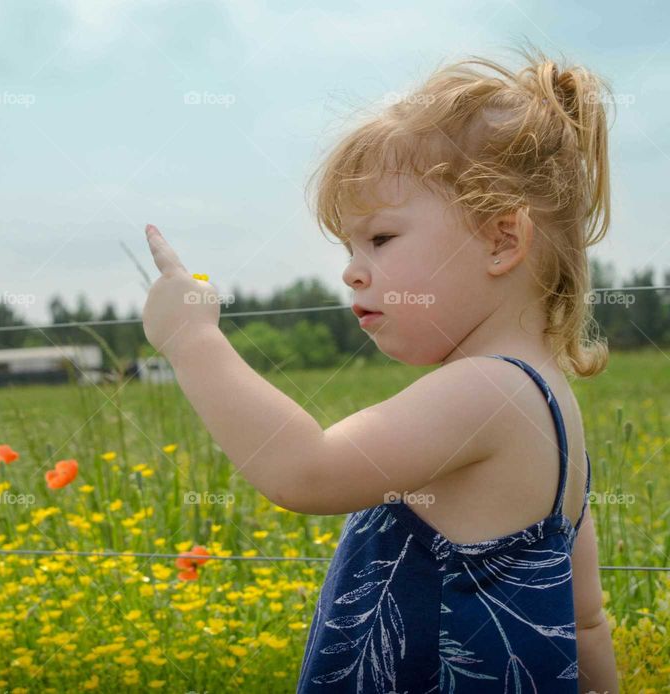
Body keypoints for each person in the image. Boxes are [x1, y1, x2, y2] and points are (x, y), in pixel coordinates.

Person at [141, 44, 620, 693]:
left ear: (503, 240)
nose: (351, 270)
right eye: (350, 246)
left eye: (382, 239)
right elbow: (585, 623)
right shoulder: (550, 405)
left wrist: (191, 339)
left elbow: (305, 471)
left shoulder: (485, 390)